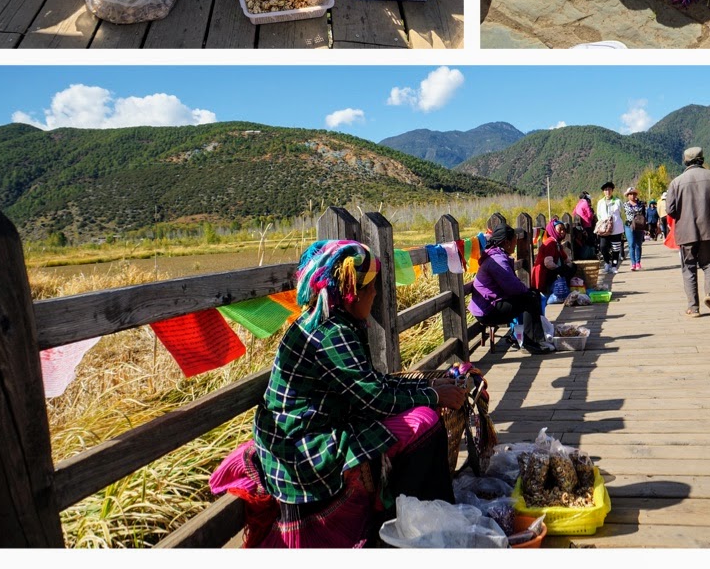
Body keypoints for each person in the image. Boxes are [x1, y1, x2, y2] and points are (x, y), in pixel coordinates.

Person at [209, 239, 467, 547]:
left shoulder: (333, 322)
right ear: (351, 293)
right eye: (370, 287)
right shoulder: (332, 333)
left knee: (421, 416)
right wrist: (434, 397)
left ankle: (420, 521)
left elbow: (370, 383)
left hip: (316, 426)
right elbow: (375, 396)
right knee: (424, 423)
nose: (374, 293)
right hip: (303, 443)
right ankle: (409, 529)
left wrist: (428, 387)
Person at [665, 147, 710, 319]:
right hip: (709, 229)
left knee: (689, 268)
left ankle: (693, 308)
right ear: (702, 159)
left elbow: (670, 210)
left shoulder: (676, 182)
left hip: (686, 232)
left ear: (685, 161)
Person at [469, 225, 552, 354]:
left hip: (489, 305)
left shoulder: (496, 256)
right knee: (529, 300)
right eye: (514, 240)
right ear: (507, 242)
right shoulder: (498, 260)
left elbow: (512, 285)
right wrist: (528, 292)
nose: (515, 244)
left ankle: (532, 339)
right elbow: (513, 287)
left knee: (531, 295)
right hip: (488, 311)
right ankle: (532, 343)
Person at [531, 218, 576, 295]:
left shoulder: (556, 243)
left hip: (550, 271)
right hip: (544, 273)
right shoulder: (550, 243)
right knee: (570, 267)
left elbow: (566, 258)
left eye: (564, 229)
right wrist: (560, 269)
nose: (562, 232)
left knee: (571, 266)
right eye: (560, 229)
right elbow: (548, 263)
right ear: (553, 230)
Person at [595, 181, 626, 273]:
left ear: (612, 191)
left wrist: (620, 224)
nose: (607, 191)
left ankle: (614, 265)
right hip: (604, 230)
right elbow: (598, 214)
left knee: (616, 249)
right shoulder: (600, 202)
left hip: (616, 229)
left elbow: (622, 214)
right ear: (603, 192)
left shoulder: (617, 201)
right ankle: (607, 262)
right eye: (605, 190)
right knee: (603, 247)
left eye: (609, 189)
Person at [623, 186, 646, 272]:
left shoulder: (641, 204)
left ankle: (638, 262)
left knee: (638, 244)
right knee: (631, 244)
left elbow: (644, 215)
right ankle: (633, 263)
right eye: (630, 194)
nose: (632, 195)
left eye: (633, 194)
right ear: (627, 195)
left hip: (639, 226)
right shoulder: (624, 205)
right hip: (629, 225)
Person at [572, 191, 596, 259]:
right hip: (587, 224)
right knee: (590, 240)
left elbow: (573, 213)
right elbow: (589, 215)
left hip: (580, 225)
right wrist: (592, 215)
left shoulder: (578, 203)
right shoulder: (585, 203)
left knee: (585, 241)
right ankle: (591, 255)